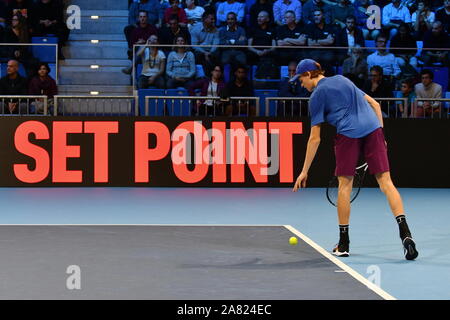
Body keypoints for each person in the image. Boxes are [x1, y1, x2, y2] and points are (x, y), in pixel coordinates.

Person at [292, 59, 418, 261]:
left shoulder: (316, 96)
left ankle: (344, 244)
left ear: (308, 74)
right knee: (387, 183)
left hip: (348, 135)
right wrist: (382, 136)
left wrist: (304, 170)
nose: (300, 84)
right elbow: (375, 105)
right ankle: (407, 236)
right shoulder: (343, 79)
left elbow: (315, 138)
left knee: (344, 186)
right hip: (373, 129)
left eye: (300, 79)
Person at [190, 11, 220, 75]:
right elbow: (194, 45)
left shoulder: (216, 30)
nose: (213, 21)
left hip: (211, 51)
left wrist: (209, 53)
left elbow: (215, 44)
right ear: (204, 19)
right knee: (196, 56)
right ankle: (204, 76)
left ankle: (212, 76)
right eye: (211, 19)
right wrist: (204, 53)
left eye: (214, 19)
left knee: (217, 55)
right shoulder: (195, 29)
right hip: (200, 51)